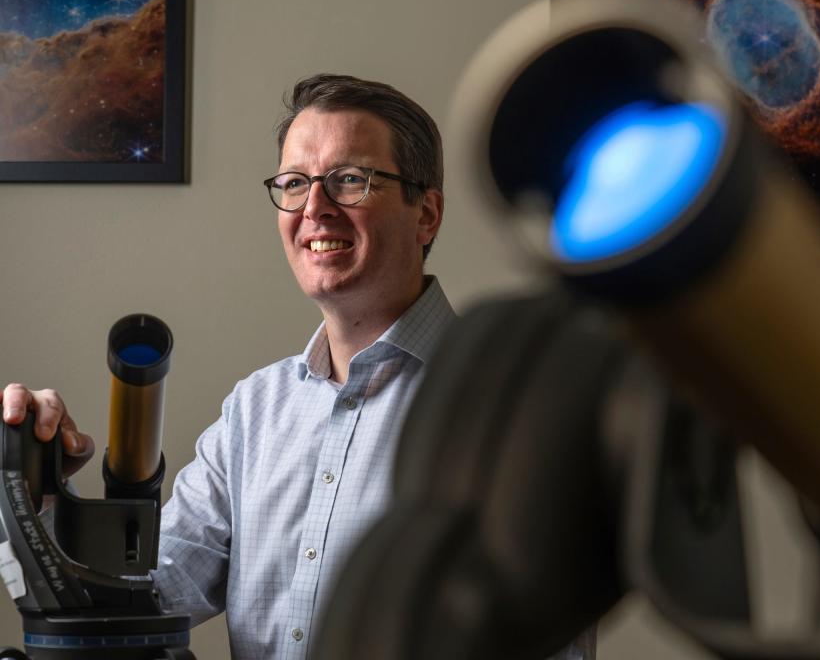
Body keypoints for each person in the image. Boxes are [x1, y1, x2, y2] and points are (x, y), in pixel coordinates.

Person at [1, 74, 595, 659]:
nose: (314, 208)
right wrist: (31, 494)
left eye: (349, 180)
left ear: (427, 214)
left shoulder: (517, 403)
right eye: (293, 183)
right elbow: (137, 598)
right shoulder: (254, 412)